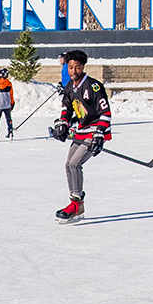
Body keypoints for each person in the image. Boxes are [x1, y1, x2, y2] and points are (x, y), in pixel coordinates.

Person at [51, 49, 111, 223]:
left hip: (94, 132)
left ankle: (76, 204)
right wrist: (62, 124)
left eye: (77, 67)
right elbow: (66, 109)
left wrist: (100, 134)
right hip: (81, 131)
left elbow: (105, 112)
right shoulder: (70, 86)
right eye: (70, 67)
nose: (73, 71)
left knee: (75, 163)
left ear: (83, 67)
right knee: (69, 165)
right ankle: (76, 204)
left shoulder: (94, 86)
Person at [0, 68, 15, 139]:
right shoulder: (9, 83)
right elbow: (11, 95)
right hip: (7, 104)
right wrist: (12, 103)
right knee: (9, 119)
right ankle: (10, 131)